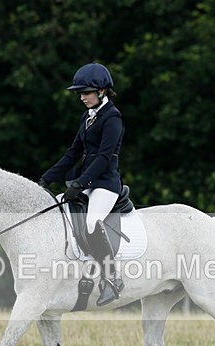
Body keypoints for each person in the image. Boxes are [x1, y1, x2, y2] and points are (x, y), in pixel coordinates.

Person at [39, 62, 125, 306]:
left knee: (90, 222)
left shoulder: (113, 118)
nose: (82, 97)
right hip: (87, 181)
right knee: (57, 210)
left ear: (102, 91)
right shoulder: (87, 117)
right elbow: (72, 153)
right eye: (80, 93)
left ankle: (112, 278)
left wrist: (80, 183)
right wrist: (46, 178)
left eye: (86, 92)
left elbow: (104, 157)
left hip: (106, 184)